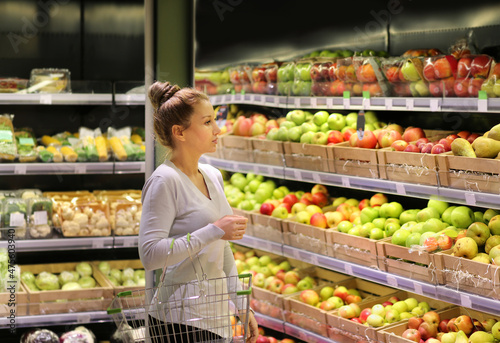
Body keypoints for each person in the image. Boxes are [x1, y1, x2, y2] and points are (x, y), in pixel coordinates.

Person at [139, 81, 259, 343]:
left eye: (215, 120)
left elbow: (222, 249)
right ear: (179, 132)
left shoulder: (213, 176)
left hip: (215, 318)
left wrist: (241, 304)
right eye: (207, 122)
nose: (218, 130)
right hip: (178, 321)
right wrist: (214, 230)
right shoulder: (165, 181)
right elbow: (149, 255)